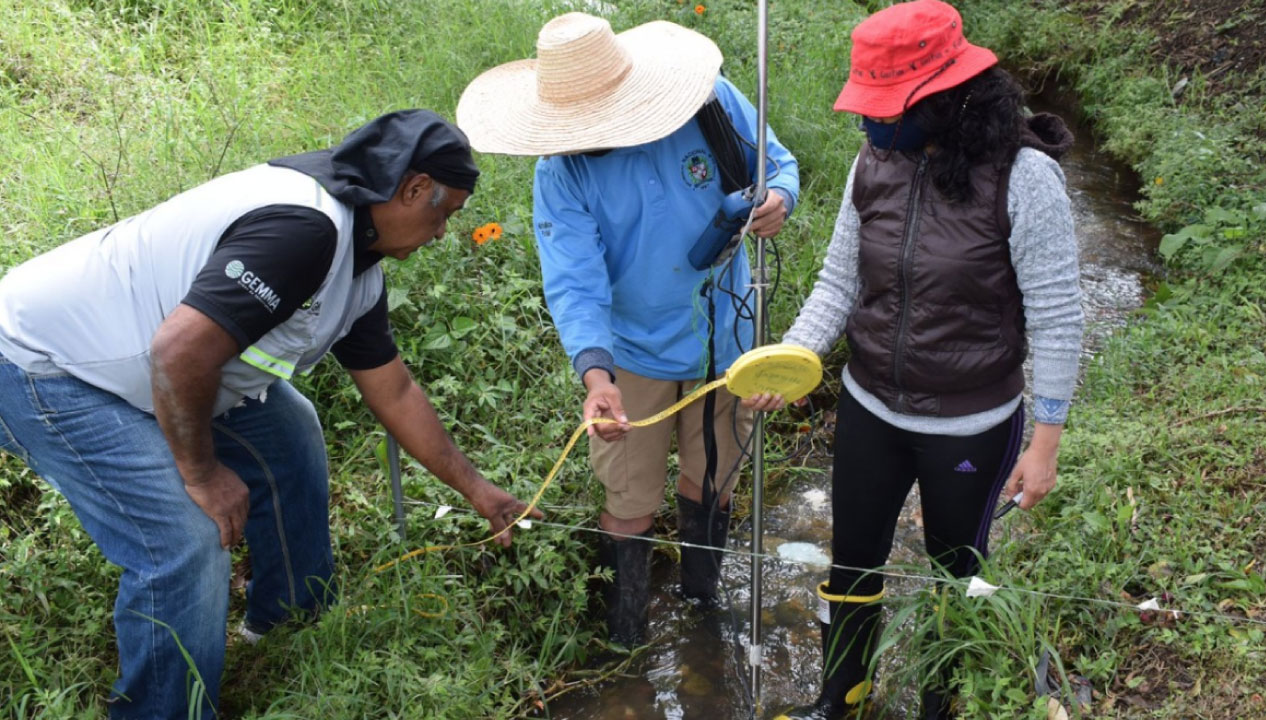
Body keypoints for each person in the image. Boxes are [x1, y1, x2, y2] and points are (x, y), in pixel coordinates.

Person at [0, 110, 541, 719]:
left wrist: (478, 491)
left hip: (168, 365)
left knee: (291, 438)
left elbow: (393, 391)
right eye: (444, 213)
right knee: (183, 537)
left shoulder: (360, 262)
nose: (443, 232)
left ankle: (291, 619)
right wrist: (203, 475)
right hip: (46, 364)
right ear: (412, 189)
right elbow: (179, 353)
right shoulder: (304, 228)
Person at [749, 2, 1083, 718]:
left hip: (972, 422)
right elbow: (840, 278)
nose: (868, 122)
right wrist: (795, 356)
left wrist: (1046, 440)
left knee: (956, 576)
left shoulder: (1024, 178)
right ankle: (842, 697)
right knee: (853, 562)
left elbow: (1057, 314)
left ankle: (942, 705)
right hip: (871, 405)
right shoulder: (875, 162)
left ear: (947, 99)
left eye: (885, 107)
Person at [456, 12, 800, 646]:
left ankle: (702, 607)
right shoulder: (562, 173)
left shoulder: (708, 103)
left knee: (714, 475)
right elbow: (575, 281)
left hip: (726, 332)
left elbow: (776, 163)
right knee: (630, 494)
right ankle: (628, 636)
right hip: (630, 353)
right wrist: (596, 374)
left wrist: (779, 197)